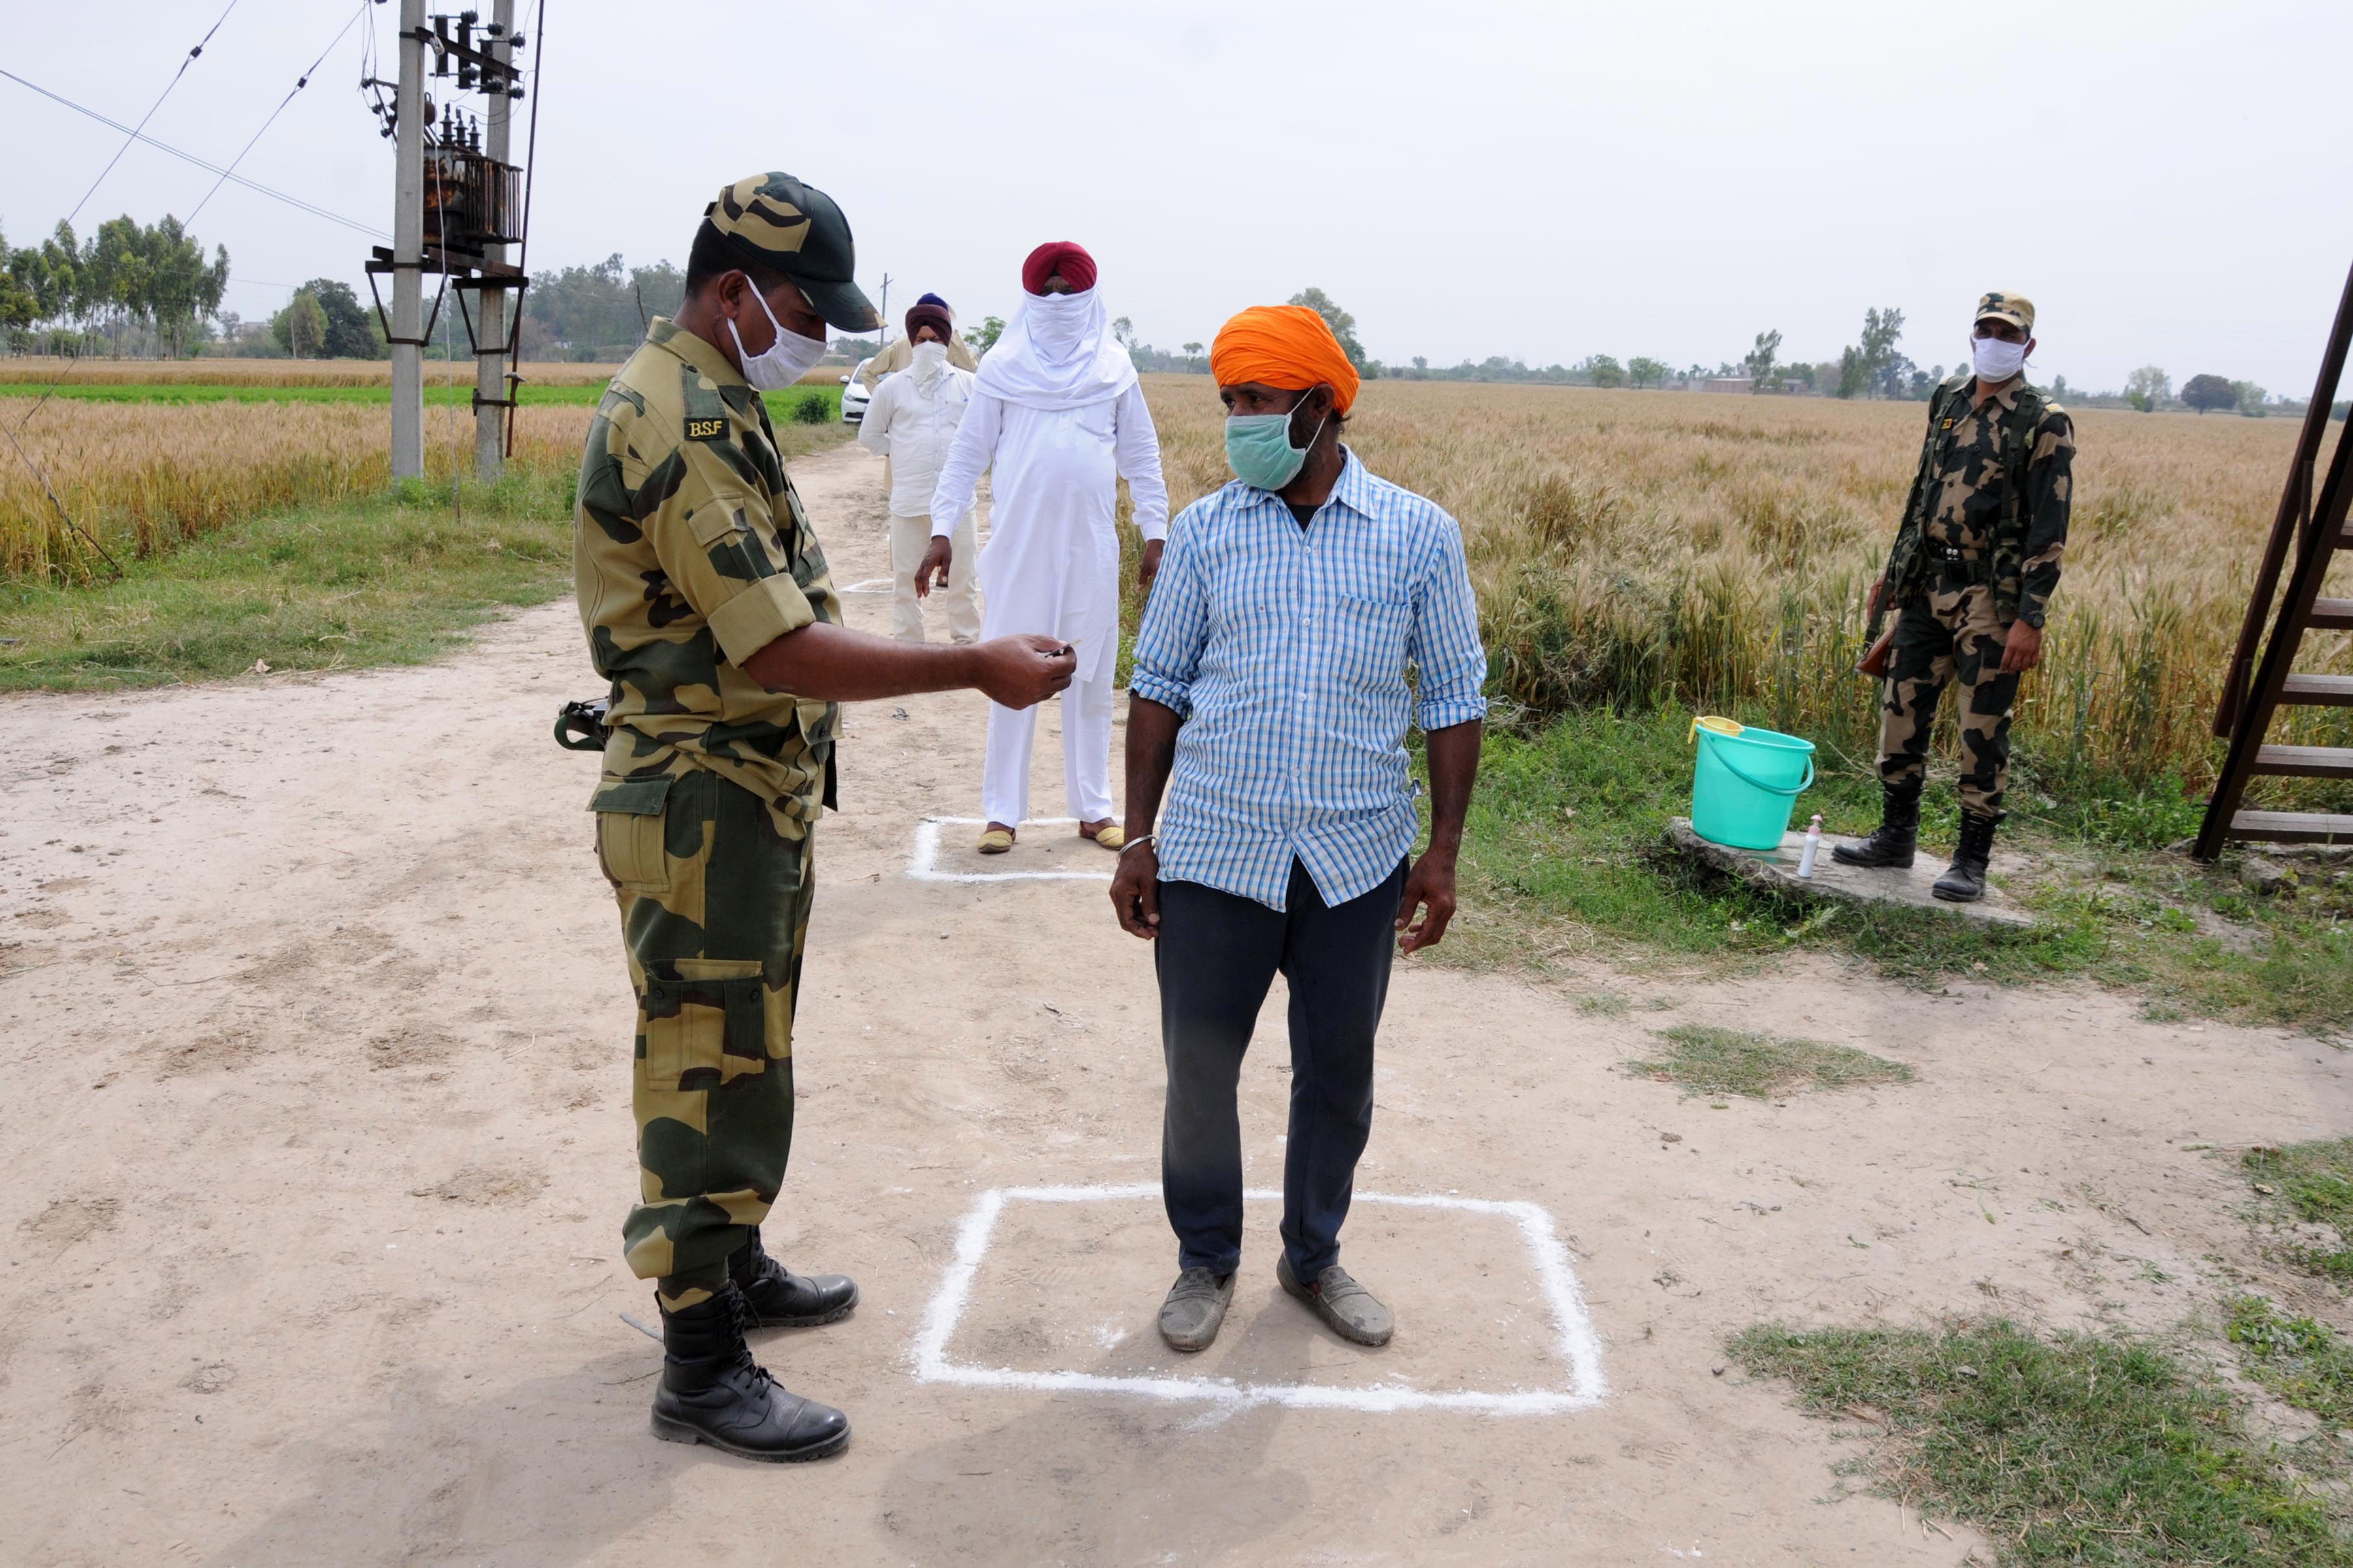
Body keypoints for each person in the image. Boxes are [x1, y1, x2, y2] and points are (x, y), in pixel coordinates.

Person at [574, 172, 1076, 1462]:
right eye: (804, 306)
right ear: (733, 289)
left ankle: (732, 1260)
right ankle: (698, 1359)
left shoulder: (718, 390)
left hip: (746, 795)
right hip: (700, 801)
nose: (820, 333)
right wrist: (970, 665)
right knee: (702, 1061)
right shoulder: (673, 415)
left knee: (750, 1041)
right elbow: (785, 646)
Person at [1109, 305, 1488, 1354]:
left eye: (1260, 403)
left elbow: (1455, 695)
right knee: (1199, 1068)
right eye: (1229, 402)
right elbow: (1158, 688)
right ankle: (1205, 1257)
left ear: (1321, 408)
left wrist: (1444, 853)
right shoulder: (1204, 532)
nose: (1238, 423)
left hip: (1355, 855)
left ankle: (1312, 1254)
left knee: (1338, 1071)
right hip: (1217, 850)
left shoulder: (1418, 533)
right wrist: (1139, 839)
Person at [923, 242, 1170, 856]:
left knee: (1087, 676)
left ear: (1088, 295)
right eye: (1048, 289)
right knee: (1010, 671)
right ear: (1033, 296)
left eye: (1070, 289)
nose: (1059, 300)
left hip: (1090, 549)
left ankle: (1094, 808)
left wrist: (1156, 533)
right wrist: (940, 529)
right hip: (1019, 548)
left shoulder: (1115, 369)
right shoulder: (1002, 369)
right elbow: (966, 456)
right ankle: (1002, 812)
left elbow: (1141, 456)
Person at [1834, 291, 2074, 902]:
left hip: (1991, 597)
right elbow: (1923, 491)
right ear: (1972, 336)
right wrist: (1895, 572)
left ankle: (1971, 859)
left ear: (2028, 345)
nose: (1996, 339)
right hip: (1929, 583)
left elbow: (2052, 528)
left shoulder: (2044, 421)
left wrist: (2031, 618)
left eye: (2009, 332)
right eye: (1987, 328)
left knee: (1982, 726)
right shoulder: (1948, 399)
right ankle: (1895, 837)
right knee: (1900, 708)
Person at [858, 300, 982, 644]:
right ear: (911, 343)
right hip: (909, 501)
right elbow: (868, 436)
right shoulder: (891, 388)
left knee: (963, 577)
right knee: (906, 580)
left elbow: (984, 435)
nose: (928, 346)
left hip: (958, 503)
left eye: (935, 339)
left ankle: (966, 646)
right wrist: (899, 452)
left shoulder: (970, 385)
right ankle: (909, 648)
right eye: (920, 339)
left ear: (947, 342)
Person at [855, 292, 978, 389]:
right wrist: (882, 398)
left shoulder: (952, 344)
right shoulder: (901, 346)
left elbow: (972, 369)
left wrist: (953, 337)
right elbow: (867, 372)